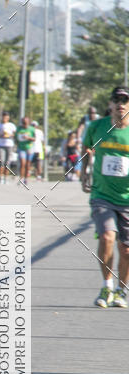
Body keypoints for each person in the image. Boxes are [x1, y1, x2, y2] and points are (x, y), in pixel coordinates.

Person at [81, 85, 129, 308]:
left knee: (126, 248)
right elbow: (85, 147)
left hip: (127, 198)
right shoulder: (96, 127)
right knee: (108, 237)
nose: (121, 103)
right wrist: (83, 173)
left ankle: (121, 290)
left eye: (125, 100)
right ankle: (106, 286)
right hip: (102, 194)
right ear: (110, 104)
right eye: (116, 99)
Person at [0, 111, 16, 184]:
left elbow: (14, 135)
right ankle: (1, 178)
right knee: (1, 161)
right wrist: (1, 134)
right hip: (1, 144)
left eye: (6, 117)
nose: (5, 118)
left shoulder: (11, 125)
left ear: (8, 117)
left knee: (8, 162)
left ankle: (6, 178)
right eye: (4, 117)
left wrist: (9, 135)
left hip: (9, 144)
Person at [14, 116, 35, 185]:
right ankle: (21, 178)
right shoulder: (19, 129)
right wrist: (17, 144)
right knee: (23, 163)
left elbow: (34, 139)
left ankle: (26, 179)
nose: (25, 124)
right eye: (23, 123)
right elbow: (16, 138)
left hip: (29, 148)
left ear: (28, 122)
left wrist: (28, 137)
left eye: (26, 123)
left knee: (28, 165)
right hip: (21, 148)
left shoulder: (32, 129)